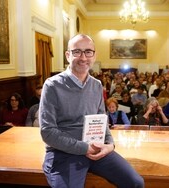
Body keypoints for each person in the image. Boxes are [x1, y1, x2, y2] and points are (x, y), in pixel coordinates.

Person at [39, 34, 144, 188]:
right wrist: (84, 148)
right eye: (77, 52)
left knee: (136, 183)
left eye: (88, 52)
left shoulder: (96, 85)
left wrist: (110, 145)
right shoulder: (52, 85)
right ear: (68, 55)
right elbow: (47, 132)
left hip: (96, 149)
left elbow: (102, 121)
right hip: (64, 153)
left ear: (94, 56)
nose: (83, 57)